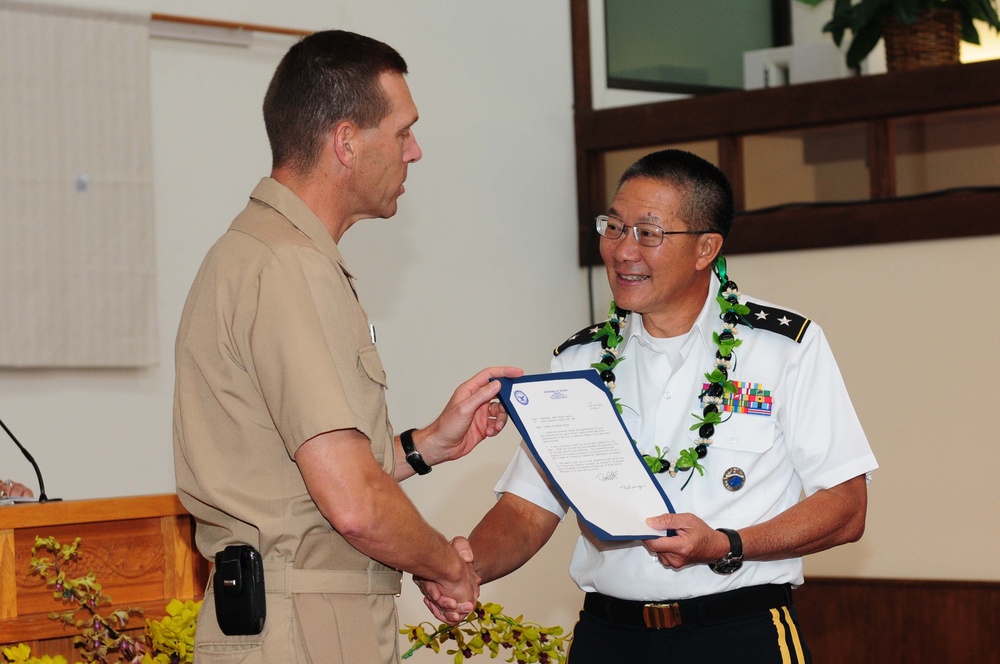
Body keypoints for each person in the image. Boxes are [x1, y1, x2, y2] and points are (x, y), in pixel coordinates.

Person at [421, 149, 878, 663]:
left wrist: (726, 544)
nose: (622, 251)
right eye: (613, 227)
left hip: (738, 632)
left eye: (648, 232)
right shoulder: (581, 358)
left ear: (706, 248)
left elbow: (846, 508)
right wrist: (462, 567)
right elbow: (529, 509)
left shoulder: (782, 347)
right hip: (609, 636)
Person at [173, 30, 520, 664]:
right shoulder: (289, 267)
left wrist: (424, 446)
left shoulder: (255, 252)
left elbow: (297, 479)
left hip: (285, 616)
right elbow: (353, 505)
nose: (415, 151)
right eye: (403, 131)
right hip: (308, 625)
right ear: (346, 141)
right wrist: (449, 565)